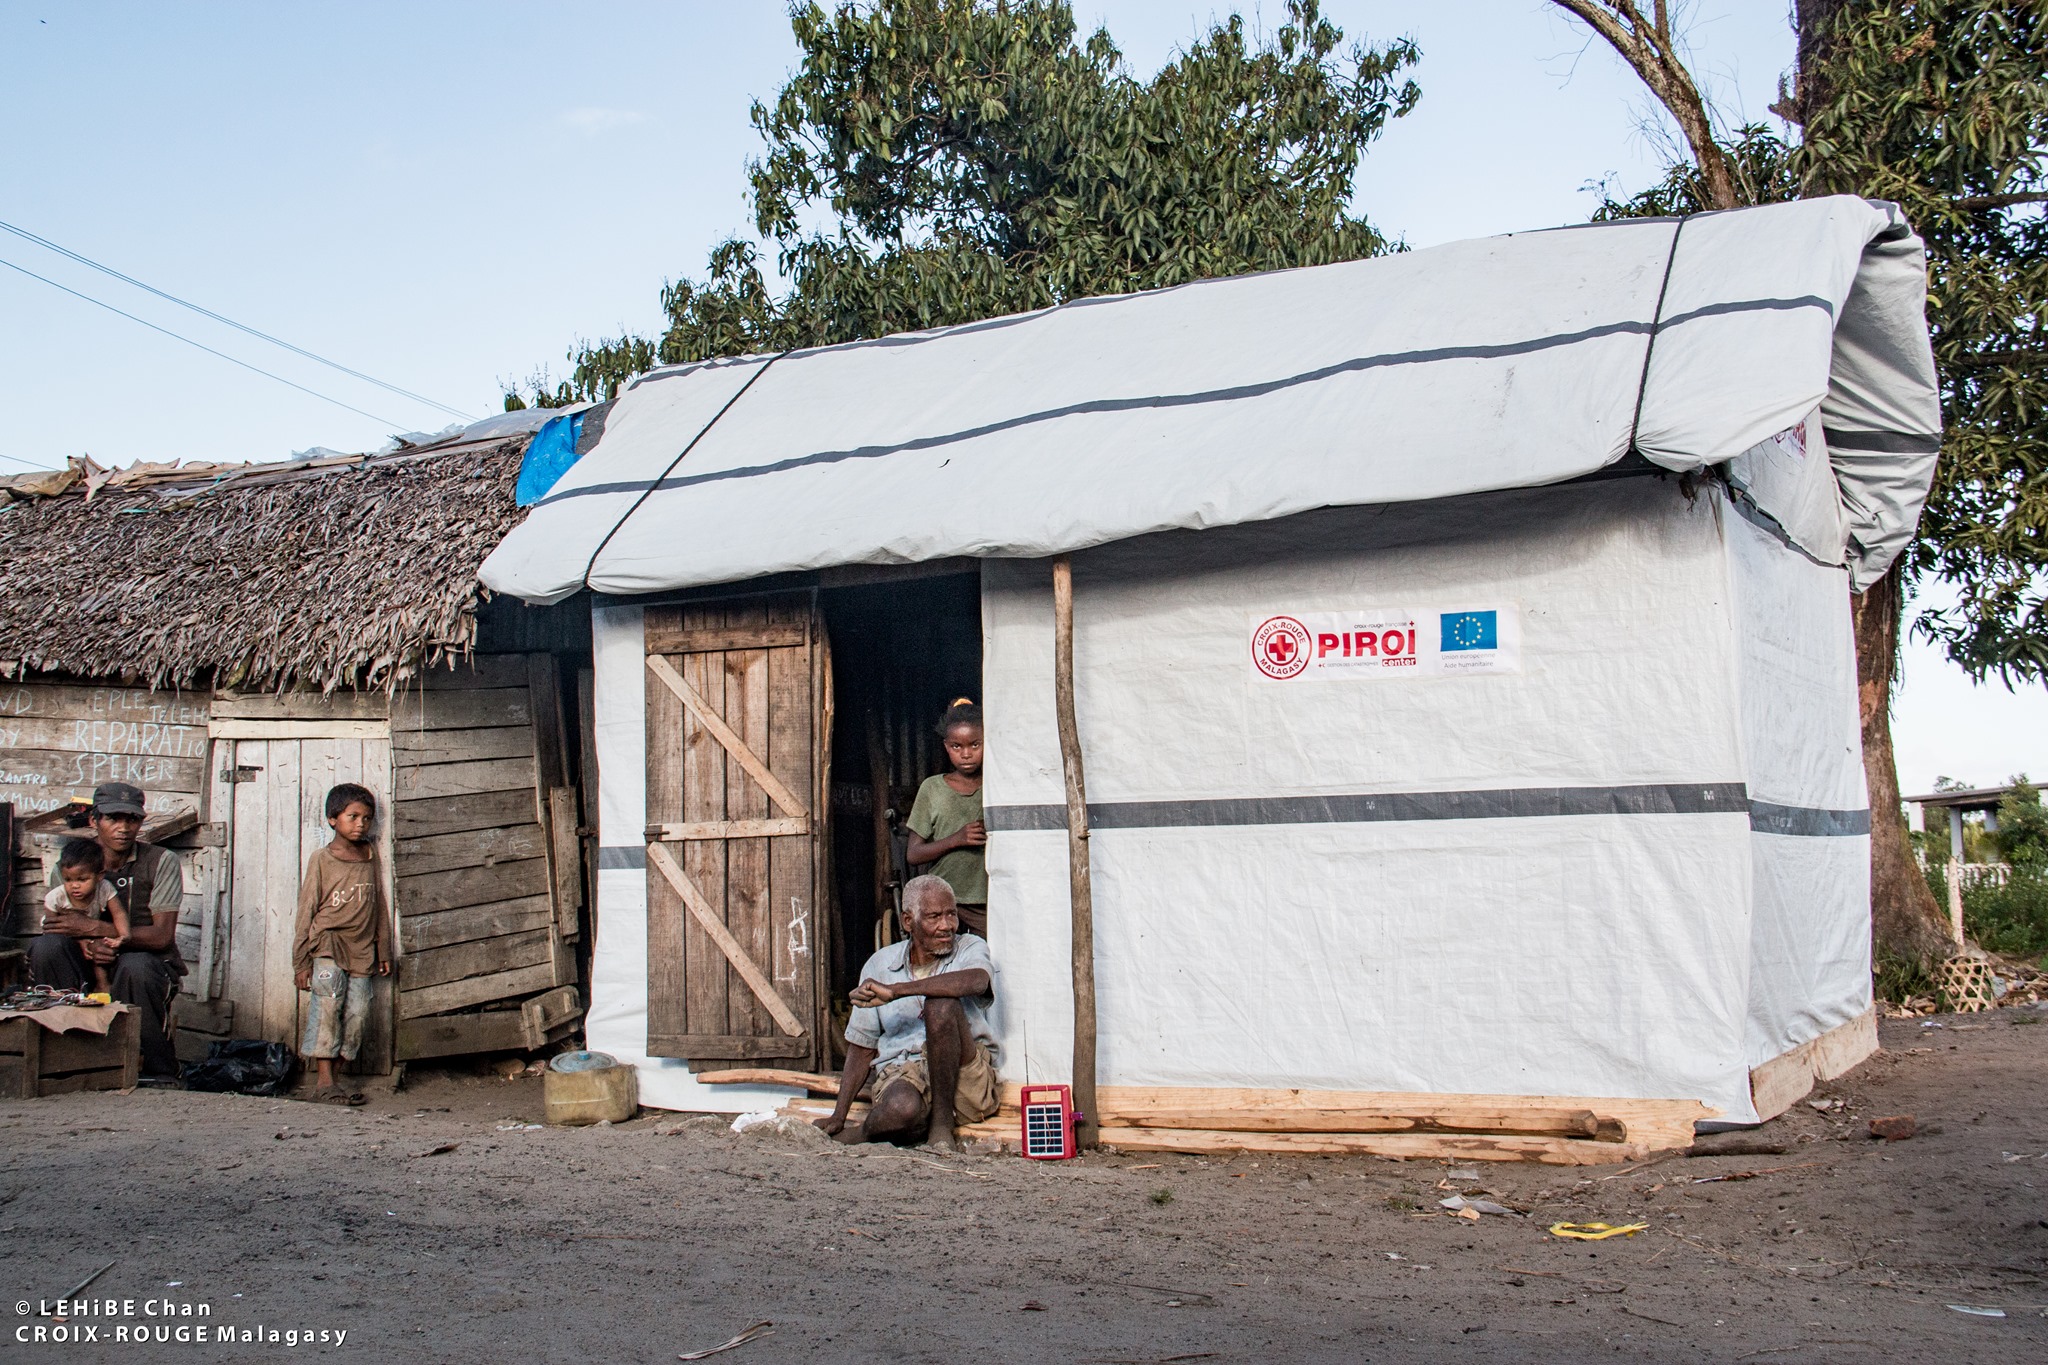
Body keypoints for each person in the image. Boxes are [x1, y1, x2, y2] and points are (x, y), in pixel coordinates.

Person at [815, 874, 999, 1151]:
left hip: (965, 1077)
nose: (946, 925)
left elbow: (977, 981)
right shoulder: (879, 964)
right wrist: (839, 1114)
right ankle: (866, 1131)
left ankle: (940, 1127)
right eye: (934, 917)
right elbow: (862, 1047)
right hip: (903, 1071)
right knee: (900, 1108)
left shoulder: (970, 947)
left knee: (941, 1004)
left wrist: (898, 990)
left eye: (952, 914)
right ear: (908, 922)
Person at [30, 782, 186, 1081]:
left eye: (132, 819)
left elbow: (162, 936)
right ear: (94, 820)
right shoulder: (69, 865)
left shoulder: (159, 861)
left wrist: (96, 928)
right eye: (113, 818)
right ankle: (64, 1062)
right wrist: (86, 945)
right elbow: (56, 927)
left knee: (135, 966)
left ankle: (157, 1071)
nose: (124, 828)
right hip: (86, 963)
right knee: (46, 949)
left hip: (145, 964)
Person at [291, 783, 392, 1105]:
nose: (361, 823)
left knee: (359, 1013)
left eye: (367, 817)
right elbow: (307, 909)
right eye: (353, 816)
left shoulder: (370, 856)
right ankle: (324, 1082)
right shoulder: (322, 859)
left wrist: (384, 947)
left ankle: (334, 1078)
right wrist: (301, 961)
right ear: (333, 819)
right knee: (327, 1009)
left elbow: (379, 904)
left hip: (362, 949)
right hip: (328, 946)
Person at [905, 699, 988, 936]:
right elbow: (914, 854)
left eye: (975, 745)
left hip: (988, 902)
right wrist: (956, 839)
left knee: (987, 962)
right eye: (956, 747)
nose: (966, 754)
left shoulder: (997, 788)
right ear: (945, 746)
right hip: (942, 902)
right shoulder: (932, 788)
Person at [42, 840, 130, 996]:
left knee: (99, 950)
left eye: (82, 880)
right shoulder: (55, 898)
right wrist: (77, 942)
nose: (74, 886)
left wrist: (123, 936)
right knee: (52, 948)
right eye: (68, 880)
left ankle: (103, 987)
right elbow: (51, 930)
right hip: (64, 937)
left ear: (100, 876)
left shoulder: (105, 889)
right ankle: (63, 994)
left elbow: (119, 913)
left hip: (91, 933)